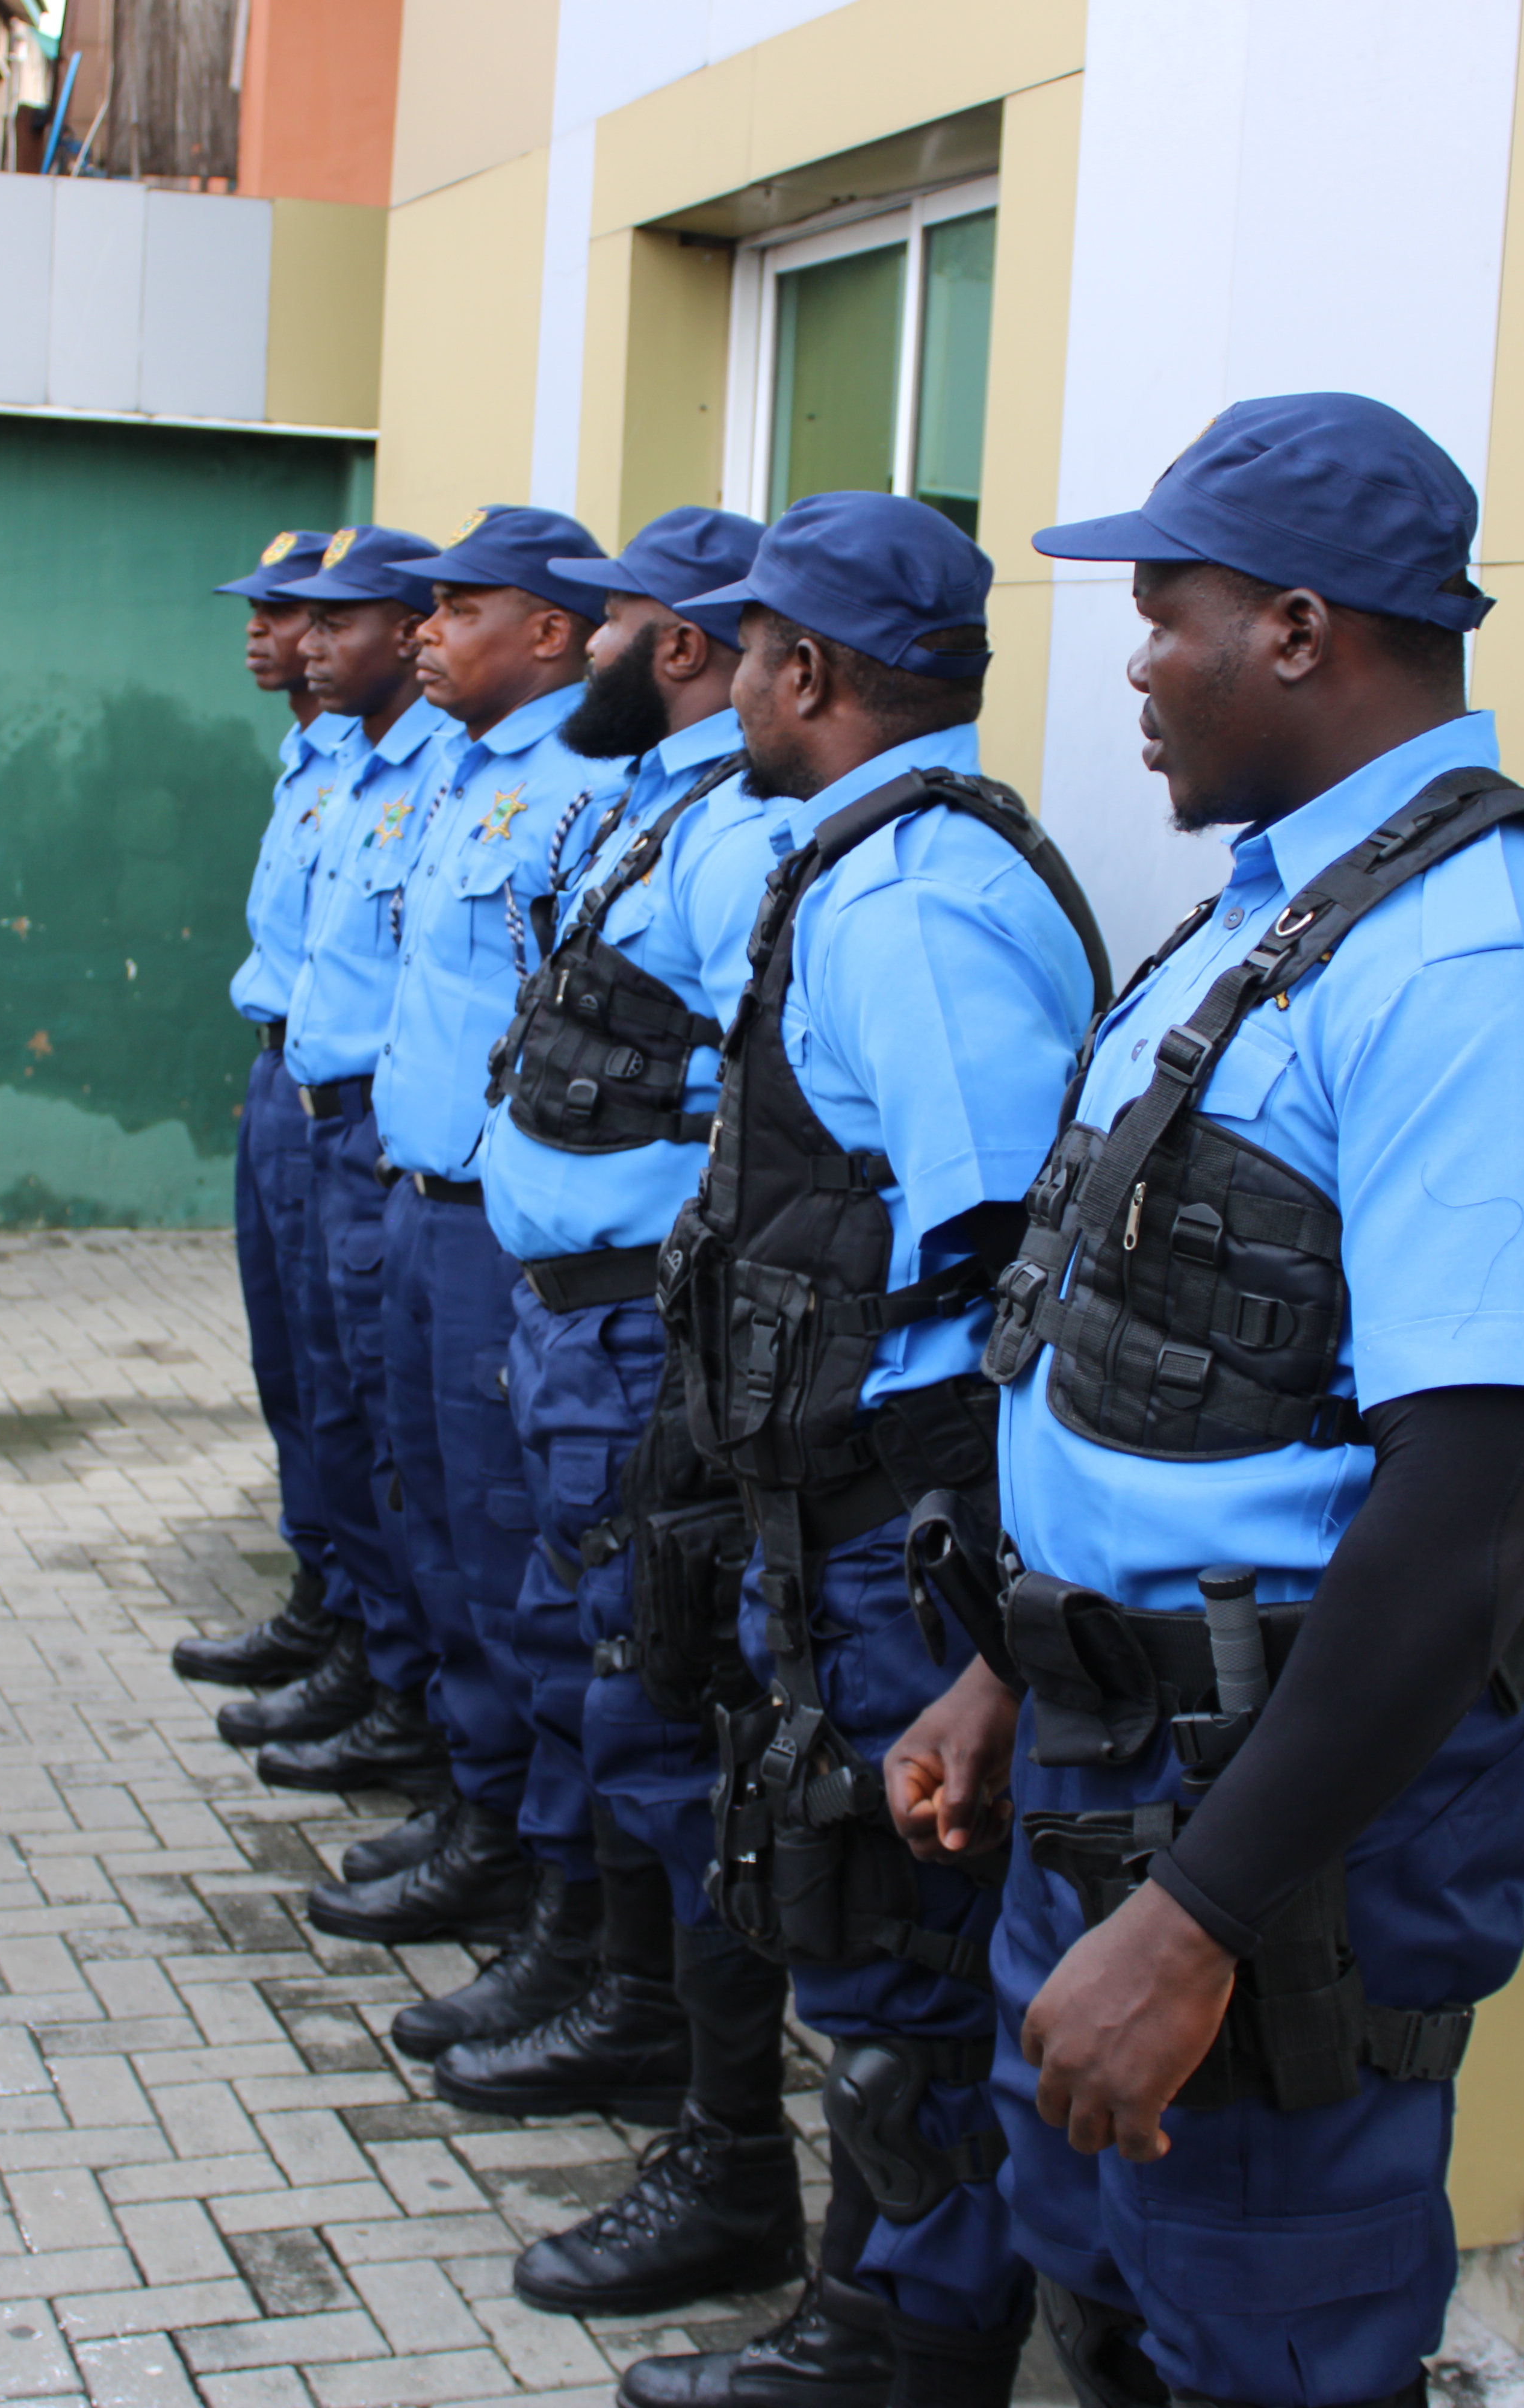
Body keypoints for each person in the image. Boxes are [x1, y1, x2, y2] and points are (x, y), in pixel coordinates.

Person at [878, 395, 1524, 2408]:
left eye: (1164, 617)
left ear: (1305, 632)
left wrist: (1206, 1915)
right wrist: (1008, 1663)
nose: (1132, 668)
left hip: (1282, 1811)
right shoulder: (1271, 918)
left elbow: (1477, 1508)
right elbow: (1147, 1359)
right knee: (1100, 2282)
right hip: (1108, 1745)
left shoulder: (1485, 957)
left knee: (1267, 2326)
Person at [629, 491, 1109, 2408]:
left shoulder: (910, 900)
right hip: (847, 1510)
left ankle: (908, 2338)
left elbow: (999, 1264)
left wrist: (966, 1597)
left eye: (747, 649)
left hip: (900, 1527)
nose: (723, 678)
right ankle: (881, 2302)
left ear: (807, 674)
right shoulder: (864, 864)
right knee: (858, 1924)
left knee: (898, 1938)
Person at [430, 509, 817, 2317]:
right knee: (583, 1655)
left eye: (614, 626)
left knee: (660, 1705)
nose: (582, 644)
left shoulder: (767, 845)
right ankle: (601, 1969)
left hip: (646, 1340)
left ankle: (681, 2070)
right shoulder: (672, 806)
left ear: (680, 646)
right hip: (568, 1314)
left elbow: (774, 1130)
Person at [296, 504, 628, 1955]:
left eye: (457, 609)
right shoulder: (454, 774)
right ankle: (475, 1796)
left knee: (518, 1556)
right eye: (421, 612)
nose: (426, 631)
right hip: (415, 1196)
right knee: (431, 1512)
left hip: (510, 1230)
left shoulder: (587, 791)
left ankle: (546, 1878)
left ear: (549, 631)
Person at [238, 527, 458, 1823]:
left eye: (337, 619)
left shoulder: (445, 767)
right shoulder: (331, 755)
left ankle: (398, 1674)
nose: (307, 642)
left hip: (382, 1121)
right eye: (297, 620)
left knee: (382, 1416)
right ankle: (341, 1619)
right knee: (307, 1379)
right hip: (297, 1085)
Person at [177, 528, 369, 1695]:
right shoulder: (305, 754)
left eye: (290, 609)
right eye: (256, 607)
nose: (263, 628)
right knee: (289, 1358)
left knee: (345, 1374)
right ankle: (318, 1591)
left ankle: (363, 1624)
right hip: (277, 1072)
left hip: (338, 1093)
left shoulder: (380, 760)